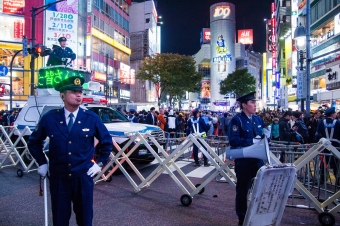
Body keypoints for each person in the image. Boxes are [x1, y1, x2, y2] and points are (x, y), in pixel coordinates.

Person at [28, 76, 112, 226]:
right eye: (73, 91)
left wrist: (99, 163)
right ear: (62, 95)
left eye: (80, 92)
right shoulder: (50, 118)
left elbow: (106, 142)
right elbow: (34, 142)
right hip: (59, 177)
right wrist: (42, 162)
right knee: (60, 219)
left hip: (82, 177)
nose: (79, 95)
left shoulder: (91, 118)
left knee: (85, 219)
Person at [228, 91, 267, 226]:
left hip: (258, 160)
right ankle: (242, 217)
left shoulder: (258, 119)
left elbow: (264, 134)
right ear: (244, 105)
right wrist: (251, 141)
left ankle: (258, 214)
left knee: (262, 188)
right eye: (252, 102)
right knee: (243, 189)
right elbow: (234, 140)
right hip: (244, 160)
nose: (255, 105)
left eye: (255, 102)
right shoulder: (237, 120)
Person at [315, 107, 340, 184]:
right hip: (336, 146)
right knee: (336, 163)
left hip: (324, 145)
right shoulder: (337, 122)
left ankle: (322, 178)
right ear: (332, 114)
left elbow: (317, 134)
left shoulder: (321, 122)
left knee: (324, 162)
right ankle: (338, 181)